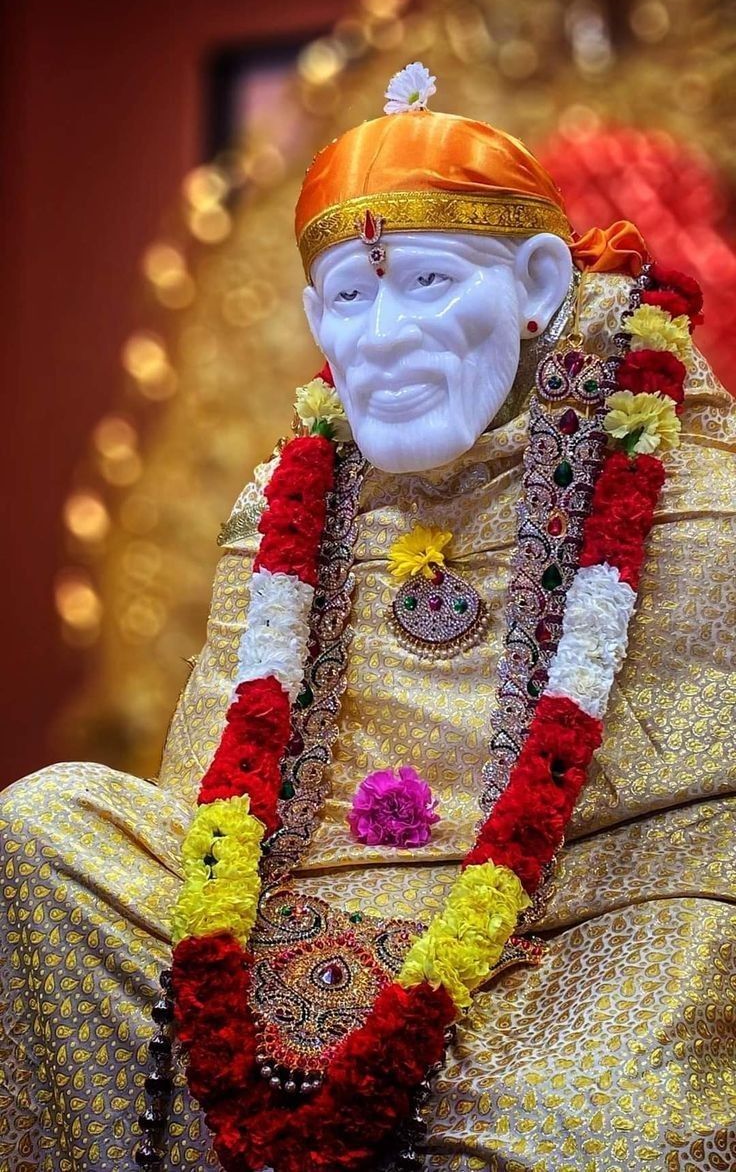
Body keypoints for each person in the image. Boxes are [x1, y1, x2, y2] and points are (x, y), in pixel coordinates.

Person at [1, 64, 734, 1172]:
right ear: (313, 321)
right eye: (352, 297)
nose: (384, 334)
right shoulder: (284, 500)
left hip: (573, 919)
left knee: (600, 1121)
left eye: (431, 281)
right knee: (42, 829)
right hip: (285, 898)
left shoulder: (691, 493)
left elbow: (693, 828)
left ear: (537, 284)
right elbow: (209, 814)